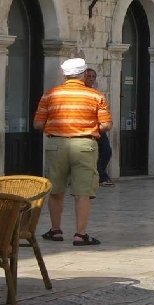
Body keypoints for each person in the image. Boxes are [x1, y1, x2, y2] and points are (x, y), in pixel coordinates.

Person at [34, 58, 112, 246]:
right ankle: (80, 234)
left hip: (56, 144)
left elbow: (37, 124)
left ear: (64, 75)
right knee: (83, 192)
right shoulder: (96, 96)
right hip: (85, 145)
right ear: (84, 74)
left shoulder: (49, 95)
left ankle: (55, 230)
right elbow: (106, 125)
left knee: (55, 190)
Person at [83, 68, 114, 187]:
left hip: (98, 128)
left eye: (93, 77)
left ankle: (99, 175)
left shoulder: (96, 94)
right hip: (87, 129)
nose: (91, 79)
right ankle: (101, 177)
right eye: (88, 76)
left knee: (106, 151)